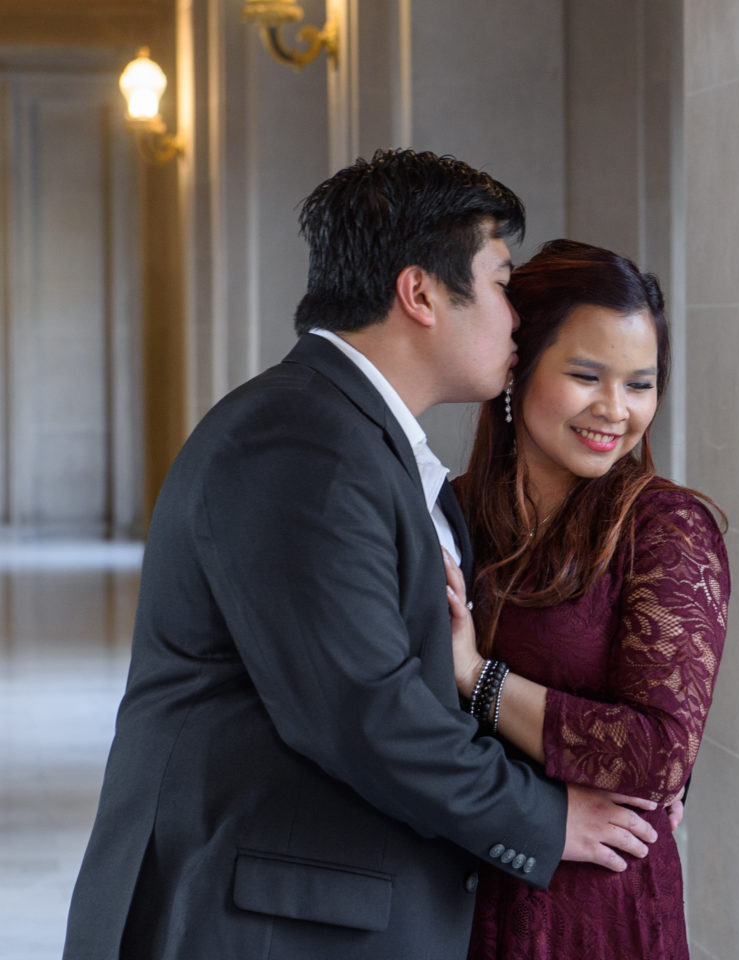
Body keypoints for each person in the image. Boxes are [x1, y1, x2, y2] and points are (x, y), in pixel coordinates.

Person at [62, 152, 659, 960]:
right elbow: (364, 711)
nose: (516, 315)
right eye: (499, 280)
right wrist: (550, 818)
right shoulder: (298, 442)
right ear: (419, 294)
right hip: (268, 921)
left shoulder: (360, 440)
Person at [445, 239, 731, 959]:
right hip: (447, 892)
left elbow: (660, 755)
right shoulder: (447, 512)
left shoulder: (663, 528)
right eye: (586, 375)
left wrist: (479, 680)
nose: (616, 410)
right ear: (518, 366)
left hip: (592, 912)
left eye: (641, 384)